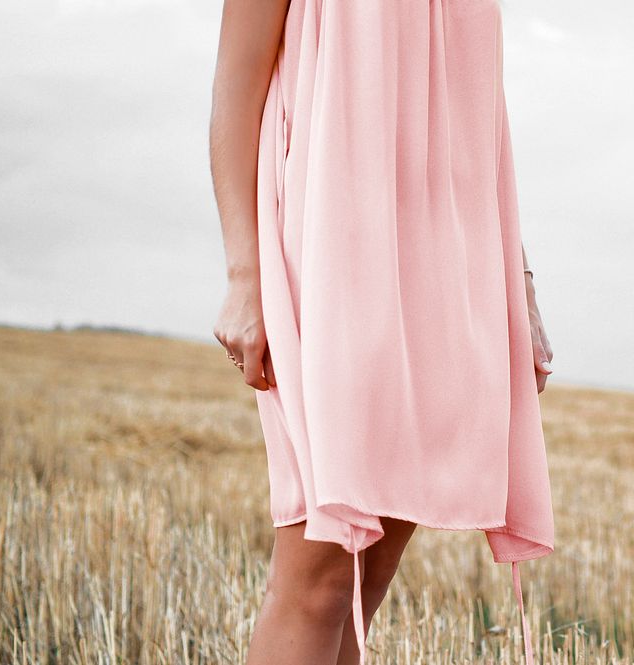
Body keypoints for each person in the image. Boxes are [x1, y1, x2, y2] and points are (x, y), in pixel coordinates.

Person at [208, 1, 555, 664]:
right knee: (320, 578)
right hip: (332, 234)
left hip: (449, 251)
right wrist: (242, 272)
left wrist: (519, 278)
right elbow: (238, 78)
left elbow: (476, 113)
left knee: (361, 585)